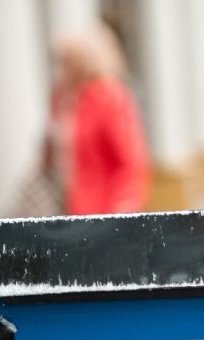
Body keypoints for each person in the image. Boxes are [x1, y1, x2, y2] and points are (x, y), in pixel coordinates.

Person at [44, 25, 150, 215]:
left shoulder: (110, 97)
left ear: (84, 62)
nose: (60, 70)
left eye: (67, 62)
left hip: (102, 211)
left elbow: (130, 163)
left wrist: (121, 212)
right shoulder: (62, 98)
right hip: (64, 207)